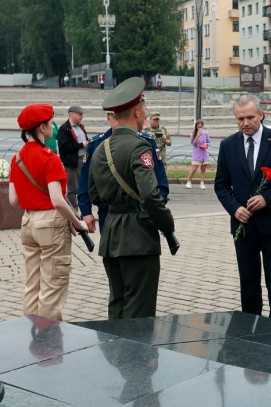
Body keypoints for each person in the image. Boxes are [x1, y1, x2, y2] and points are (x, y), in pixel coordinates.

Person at [88, 77, 175, 320]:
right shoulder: (139, 147)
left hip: (112, 235)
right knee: (140, 313)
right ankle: (136, 359)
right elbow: (150, 194)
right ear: (136, 111)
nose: (145, 114)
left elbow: (95, 196)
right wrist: (167, 225)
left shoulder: (100, 149)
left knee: (117, 306)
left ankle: (117, 356)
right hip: (138, 238)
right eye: (144, 110)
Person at [214, 94, 271, 321]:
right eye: (240, 118)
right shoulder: (228, 145)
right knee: (248, 282)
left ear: (261, 115)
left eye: (250, 117)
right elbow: (221, 185)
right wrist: (234, 208)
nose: (245, 123)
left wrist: (267, 199)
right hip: (244, 226)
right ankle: (249, 331)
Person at [8, 103, 88, 321]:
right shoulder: (49, 157)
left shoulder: (17, 158)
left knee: (32, 284)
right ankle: (48, 345)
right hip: (51, 223)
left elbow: (13, 200)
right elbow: (58, 201)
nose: (53, 125)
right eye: (50, 122)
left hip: (28, 222)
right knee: (52, 286)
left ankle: (30, 334)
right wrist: (78, 223)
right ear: (41, 128)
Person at [78, 111, 169, 233]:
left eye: (120, 116)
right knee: (111, 250)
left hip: (141, 212)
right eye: (114, 117)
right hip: (109, 213)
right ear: (108, 118)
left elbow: (161, 181)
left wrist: (156, 209)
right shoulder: (96, 144)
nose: (117, 120)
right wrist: (86, 211)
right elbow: (85, 181)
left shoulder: (145, 141)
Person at [57, 105, 88, 210]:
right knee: (72, 190)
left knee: (83, 187)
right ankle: (74, 212)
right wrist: (81, 145)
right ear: (72, 114)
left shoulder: (81, 127)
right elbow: (64, 147)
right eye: (80, 114)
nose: (82, 117)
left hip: (83, 160)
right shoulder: (64, 129)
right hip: (72, 163)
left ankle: (84, 209)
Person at [185, 120, 210, 190]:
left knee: (203, 169)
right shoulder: (193, 134)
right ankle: (189, 182)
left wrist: (206, 145)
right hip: (197, 154)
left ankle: (202, 183)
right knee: (194, 169)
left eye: (201, 126)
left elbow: (208, 142)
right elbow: (193, 144)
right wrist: (197, 136)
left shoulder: (206, 133)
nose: (200, 128)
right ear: (196, 126)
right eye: (198, 126)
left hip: (204, 154)